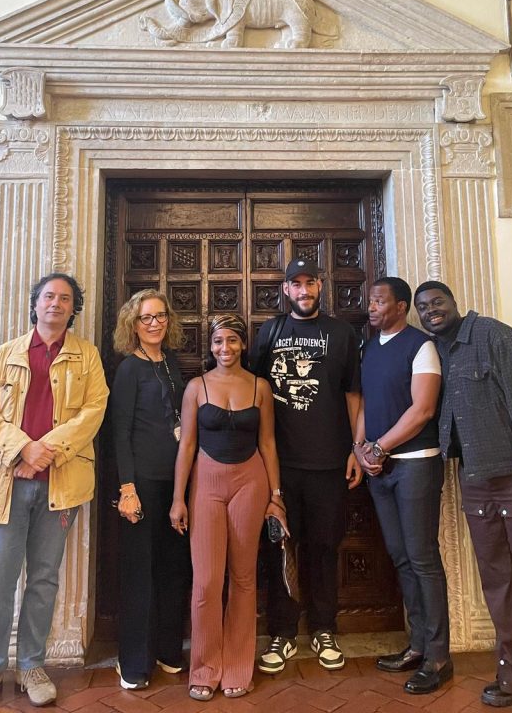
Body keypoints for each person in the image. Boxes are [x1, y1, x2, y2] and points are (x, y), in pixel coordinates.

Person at [414, 281, 512, 713]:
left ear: (454, 303)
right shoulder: (437, 352)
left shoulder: (495, 336)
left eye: (437, 302)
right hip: (476, 478)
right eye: (423, 307)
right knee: (498, 582)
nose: (431, 311)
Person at [0, 274, 108, 712]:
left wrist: (45, 452)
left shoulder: (87, 357)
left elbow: (93, 411)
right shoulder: (4, 356)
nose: (56, 304)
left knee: (43, 579)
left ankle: (31, 666)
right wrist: (24, 448)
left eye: (65, 298)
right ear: (36, 304)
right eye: (49, 296)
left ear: (74, 308)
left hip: (60, 487)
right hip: (5, 485)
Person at [250, 257, 362, 675]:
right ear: (285, 290)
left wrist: (356, 448)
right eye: (295, 284)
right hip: (279, 466)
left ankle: (324, 628)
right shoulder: (270, 332)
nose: (303, 290)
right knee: (281, 549)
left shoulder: (342, 333)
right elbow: (253, 391)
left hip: (329, 464)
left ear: (320, 285)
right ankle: (282, 632)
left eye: (309, 282)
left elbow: (353, 395)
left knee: (324, 548)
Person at [170, 314, 286, 701]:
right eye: (219, 341)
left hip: (250, 483)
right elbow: (187, 444)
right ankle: (204, 669)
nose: (226, 348)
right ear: (211, 345)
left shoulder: (260, 387)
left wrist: (276, 495)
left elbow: (268, 443)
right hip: (206, 482)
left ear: (243, 344)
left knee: (244, 577)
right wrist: (178, 498)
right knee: (206, 581)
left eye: (233, 340)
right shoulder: (197, 387)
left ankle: (238, 667)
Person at [355, 277, 452, 695]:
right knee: (400, 557)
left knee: (422, 558)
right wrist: (361, 448)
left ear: (400, 306)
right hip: (380, 469)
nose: (371, 307)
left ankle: (439, 656)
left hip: (415, 464)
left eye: (379, 301)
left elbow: (423, 409)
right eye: (370, 301)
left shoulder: (421, 346)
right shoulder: (368, 348)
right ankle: (417, 645)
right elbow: (364, 403)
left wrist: (380, 447)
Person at [110, 289, 191, 689]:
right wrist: (127, 488)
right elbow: (119, 433)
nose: (155, 323)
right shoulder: (129, 369)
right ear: (133, 324)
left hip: (175, 484)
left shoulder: (171, 363)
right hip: (140, 484)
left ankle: (167, 650)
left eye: (160, 316)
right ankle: (135, 663)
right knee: (140, 572)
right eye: (146, 318)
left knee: (173, 567)